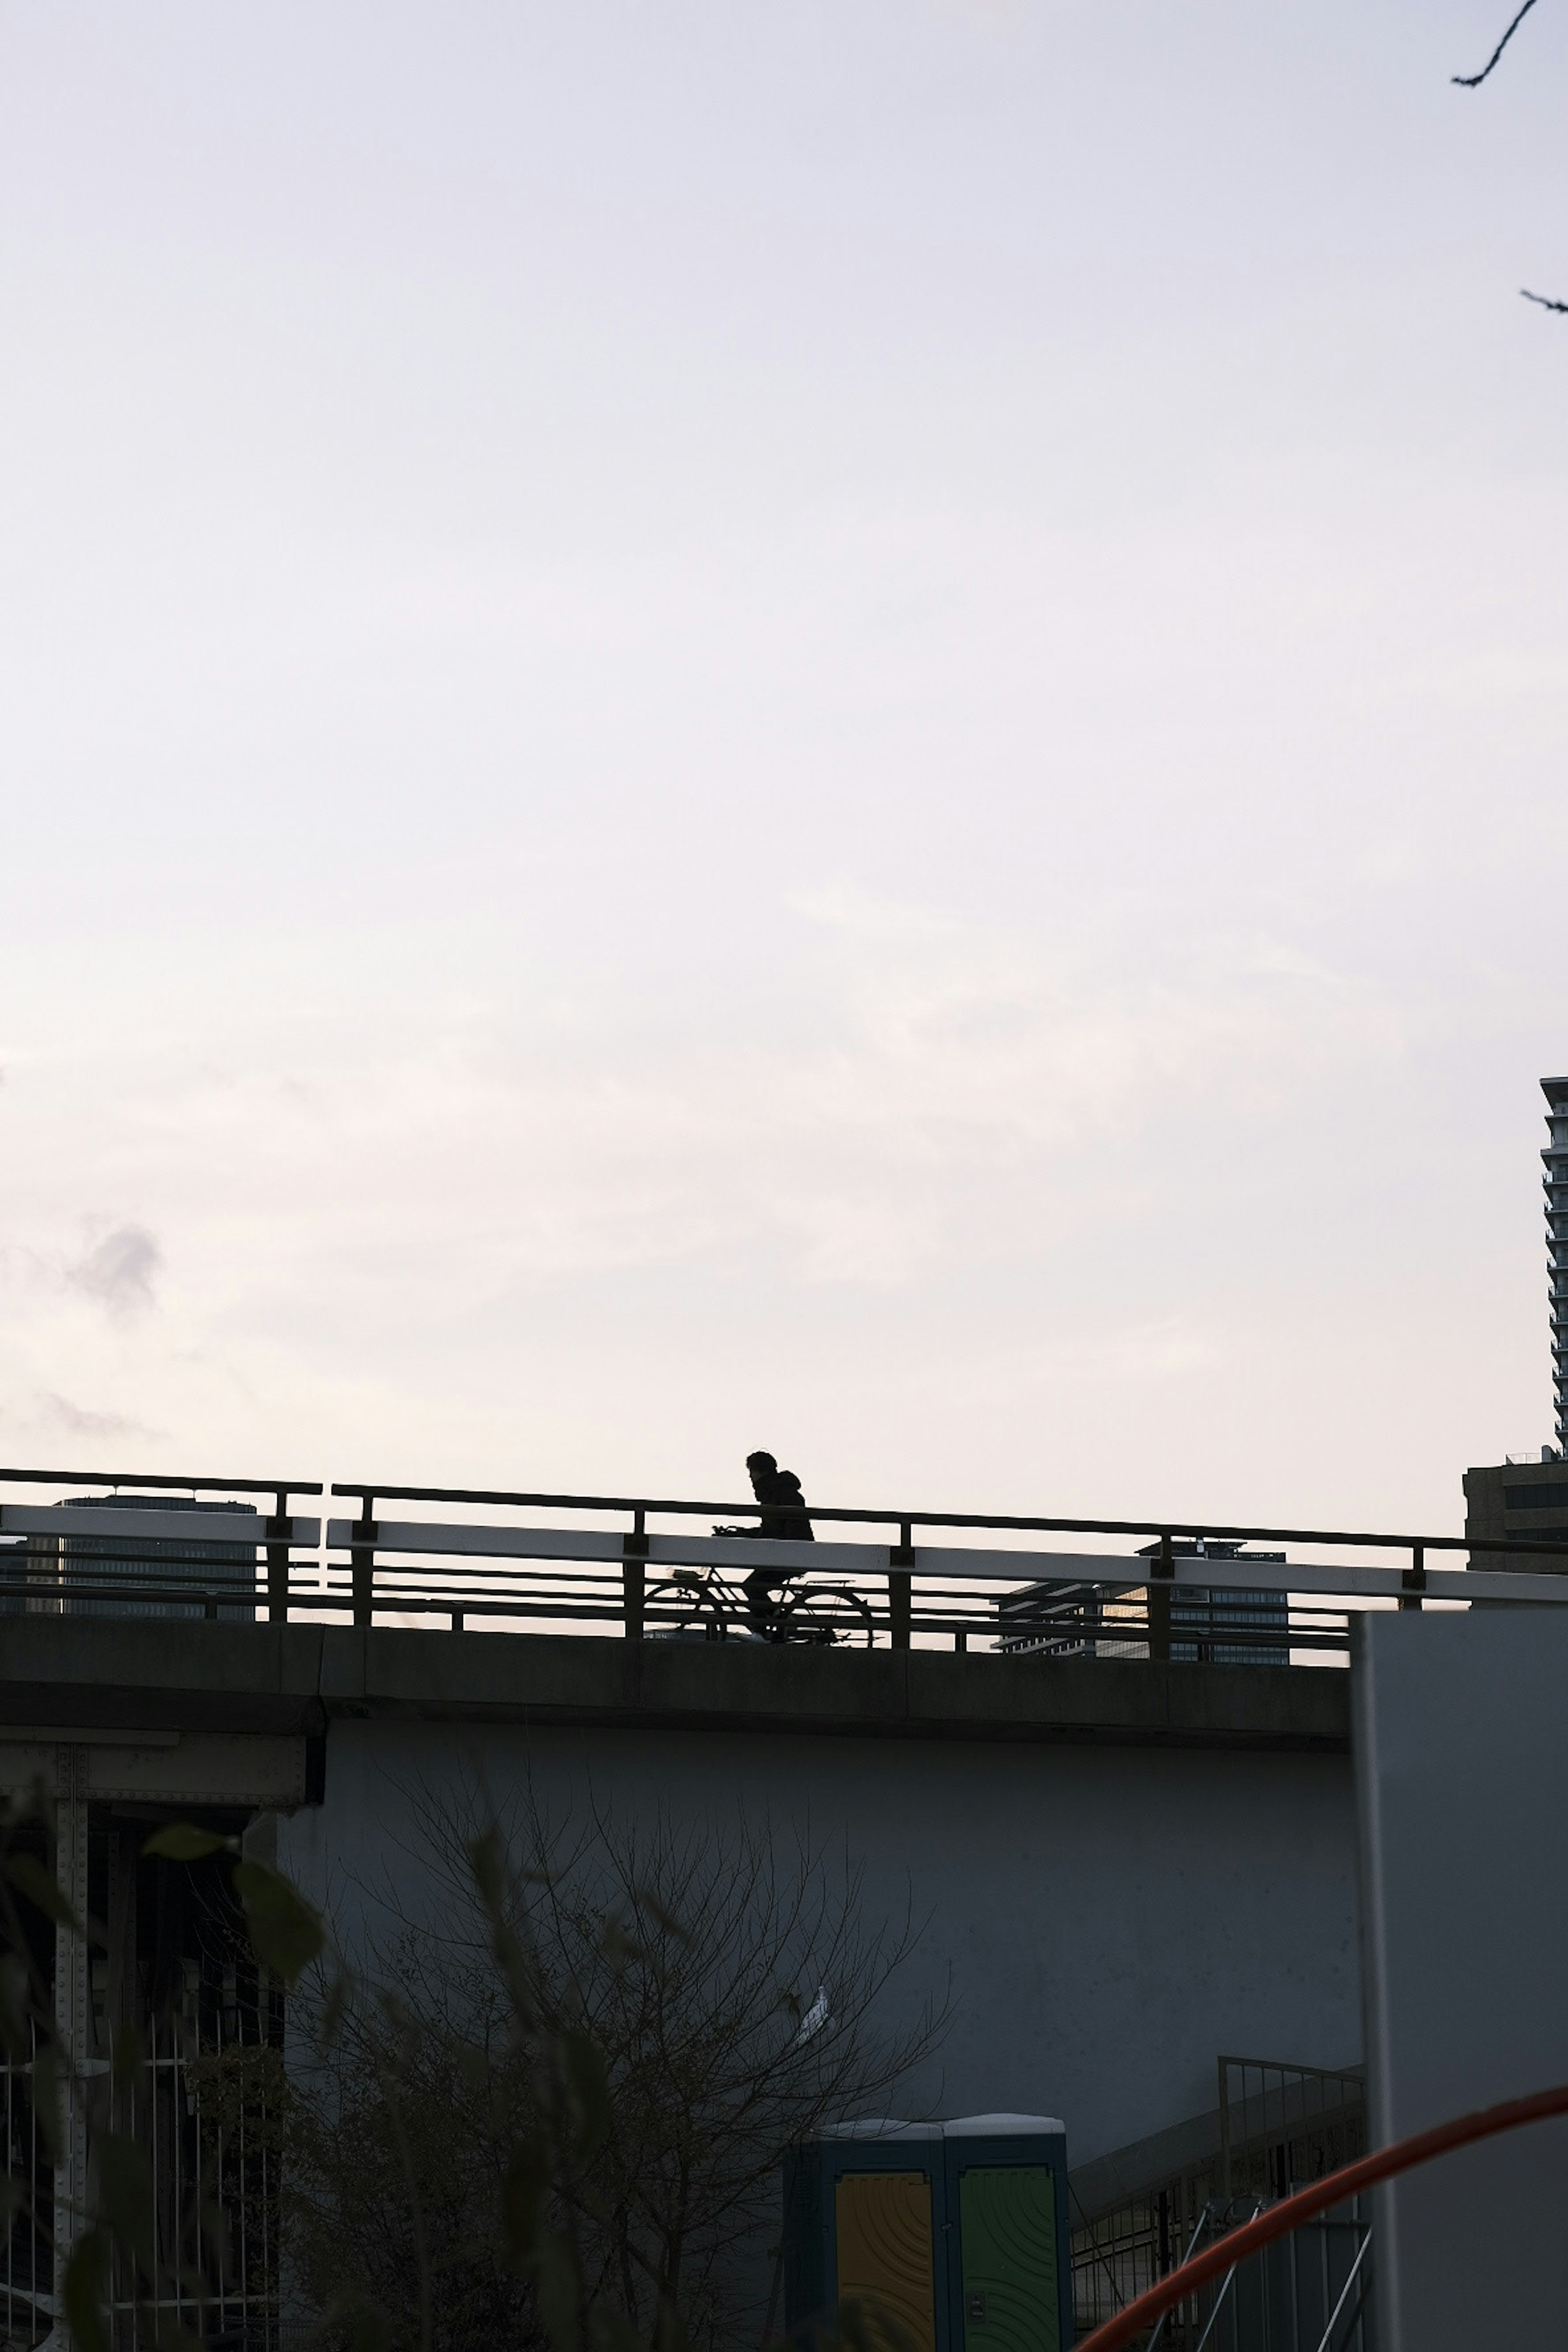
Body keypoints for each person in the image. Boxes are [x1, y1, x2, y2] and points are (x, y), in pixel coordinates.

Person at [739, 1450, 813, 1637]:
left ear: (761, 1472)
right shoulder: (773, 1493)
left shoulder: (781, 1494)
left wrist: (779, 1549)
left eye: (752, 1471)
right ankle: (776, 1622)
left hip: (792, 1555)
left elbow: (789, 1529)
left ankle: (764, 1631)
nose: (750, 1476)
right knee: (753, 1587)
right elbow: (772, 1529)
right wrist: (741, 1533)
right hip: (787, 1554)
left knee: (753, 1587)